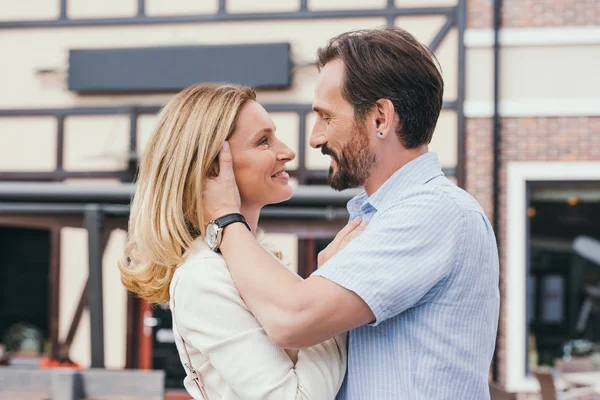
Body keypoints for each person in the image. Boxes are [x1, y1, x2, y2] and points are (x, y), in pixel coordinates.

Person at [202, 27, 500, 399]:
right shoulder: (379, 218)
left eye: (327, 117)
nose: (315, 138)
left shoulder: (433, 213)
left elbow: (292, 320)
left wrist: (225, 217)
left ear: (380, 118)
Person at [118, 83, 347, 399]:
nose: (287, 151)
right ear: (214, 168)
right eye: (263, 141)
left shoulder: (245, 263)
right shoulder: (204, 276)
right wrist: (333, 298)